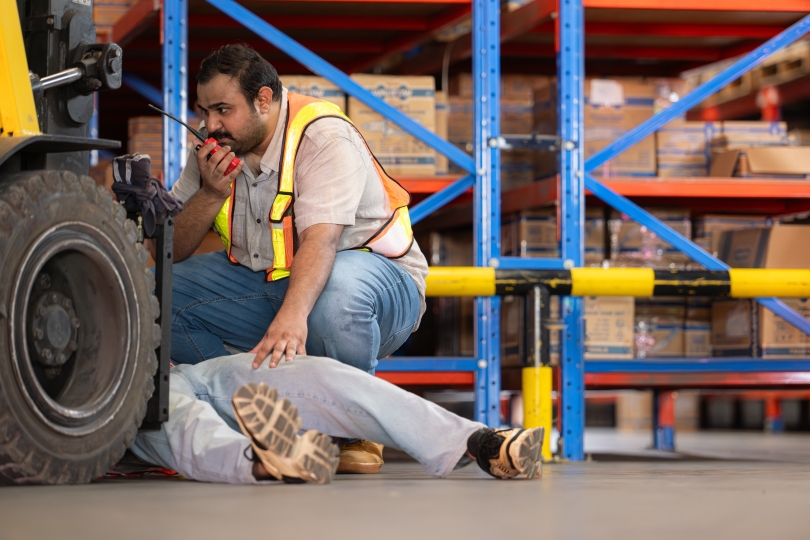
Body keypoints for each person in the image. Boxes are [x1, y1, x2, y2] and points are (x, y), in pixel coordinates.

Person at [166, 43, 428, 473]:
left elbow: (322, 243)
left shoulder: (321, 135)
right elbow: (168, 250)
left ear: (263, 100)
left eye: (222, 110)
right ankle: (263, 412)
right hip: (273, 282)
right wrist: (210, 192)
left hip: (375, 287)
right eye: (203, 110)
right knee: (156, 295)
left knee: (336, 294)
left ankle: (353, 429)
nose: (210, 124)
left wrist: (292, 317)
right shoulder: (214, 147)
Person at [129, 353, 544, 484]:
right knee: (174, 417)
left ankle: (481, 441)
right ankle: (262, 459)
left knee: (322, 376)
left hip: (185, 367)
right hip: (119, 398)